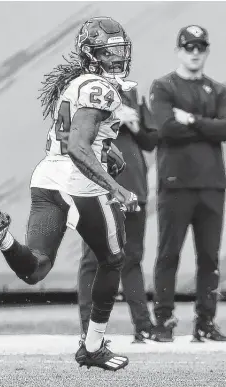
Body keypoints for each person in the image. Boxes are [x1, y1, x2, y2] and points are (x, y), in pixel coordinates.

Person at [0, 17, 140, 371]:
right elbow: (79, 148)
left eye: (118, 50)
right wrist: (117, 188)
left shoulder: (76, 84)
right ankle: (92, 346)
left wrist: (106, 150)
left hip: (47, 175)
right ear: (92, 55)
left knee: (35, 269)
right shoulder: (100, 88)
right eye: (109, 52)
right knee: (112, 259)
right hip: (81, 184)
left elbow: (69, 138)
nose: (117, 57)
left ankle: (4, 241)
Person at [150, 25, 226, 342]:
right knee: (169, 253)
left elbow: (224, 130)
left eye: (200, 47)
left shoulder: (218, 89)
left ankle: (205, 321)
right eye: (188, 47)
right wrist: (206, 126)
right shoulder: (164, 86)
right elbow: (166, 128)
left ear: (207, 51)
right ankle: (164, 320)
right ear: (179, 50)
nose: (194, 52)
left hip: (211, 185)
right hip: (176, 182)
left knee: (209, 256)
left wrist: (192, 120)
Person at [78, 87, 159, 343]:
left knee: (132, 258)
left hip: (133, 183)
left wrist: (134, 125)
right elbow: (73, 132)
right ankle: (89, 332)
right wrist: (114, 117)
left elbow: (150, 139)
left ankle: (143, 326)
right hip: (98, 185)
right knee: (93, 259)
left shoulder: (133, 92)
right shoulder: (84, 89)